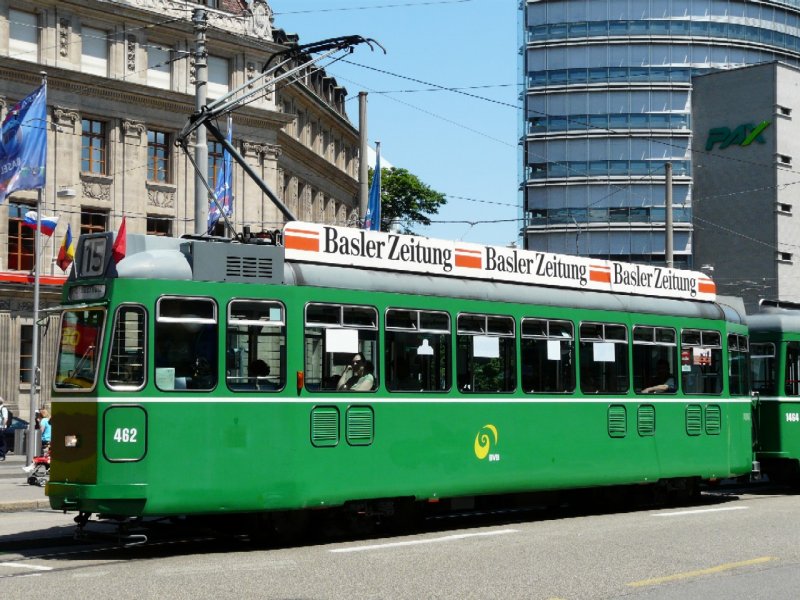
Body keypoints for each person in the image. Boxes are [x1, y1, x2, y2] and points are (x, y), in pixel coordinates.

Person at [0, 397, 8, 462]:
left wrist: (3, 427)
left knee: (2, 442)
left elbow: (5, 418)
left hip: (1, 427)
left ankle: (2, 455)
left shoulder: (3, 408)